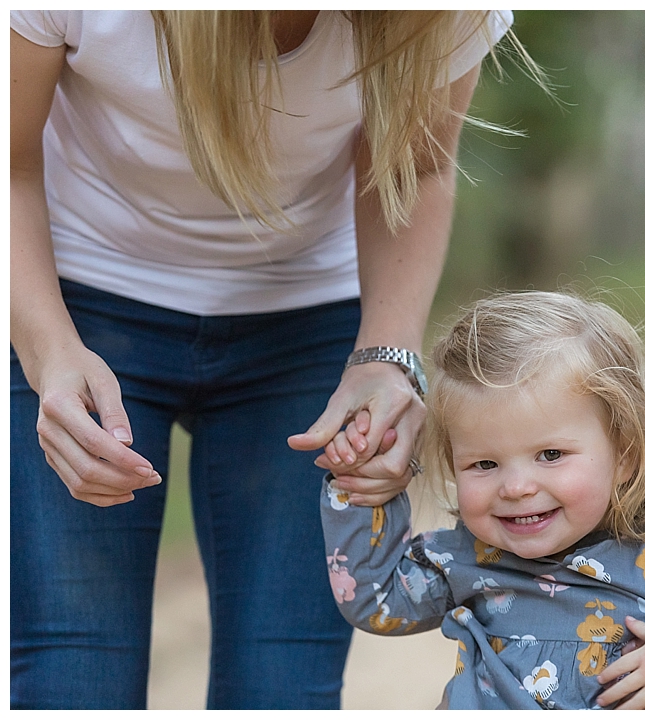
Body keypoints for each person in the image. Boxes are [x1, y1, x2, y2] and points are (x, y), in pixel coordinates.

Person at [9, 10, 529, 709]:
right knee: (75, 674)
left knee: (283, 686)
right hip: (81, 302)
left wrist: (388, 356)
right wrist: (49, 355)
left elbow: (415, 166)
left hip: (309, 323)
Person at [320, 291, 645, 710]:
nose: (515, 487)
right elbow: (376, 601)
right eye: (483, 464)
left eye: (550, 454)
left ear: (625, 456)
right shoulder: (464, 558)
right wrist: (360, 489)